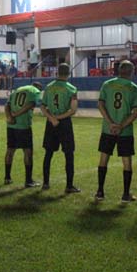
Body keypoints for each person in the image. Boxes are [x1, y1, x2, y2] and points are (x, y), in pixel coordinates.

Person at [95, 60, 137, 203]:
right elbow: (135, 112)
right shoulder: (134, 88)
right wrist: (121, 126)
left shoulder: (107, 84)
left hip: (107, 129)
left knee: (104, 158)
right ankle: (126, 194)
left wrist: (110, 123)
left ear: (119, 71)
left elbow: (101, 104)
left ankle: (100, 192)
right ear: (132, 72)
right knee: (126, 161)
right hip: (125, 131)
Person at [40, 63, 80, 193]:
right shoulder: (72, 88)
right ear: (69, 73)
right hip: (64, 124)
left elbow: (43, 106)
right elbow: (73, 110)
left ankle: (45, 183)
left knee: (48, 153)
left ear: (57, 73)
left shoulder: (49, 87)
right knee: (69, 154)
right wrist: (60, 117)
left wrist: (52, 118)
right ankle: (69, 185)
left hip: (51, 123)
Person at [4, 82, 43, 187]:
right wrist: (16, 114)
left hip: (11, 126)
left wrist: (9, 117)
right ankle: (28, 180)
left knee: (10, 150)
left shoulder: (18, 89)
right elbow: (31, 104)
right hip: (23, 125)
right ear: (38, 87)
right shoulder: (35, 91)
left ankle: (7, 177)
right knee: (28, 151)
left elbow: (7, 105)